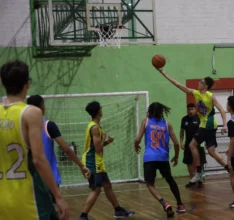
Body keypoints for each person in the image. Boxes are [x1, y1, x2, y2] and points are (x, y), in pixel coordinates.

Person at [0, 60, 69, 219]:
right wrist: (58, 196)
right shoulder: (31, 113)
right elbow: (38, 159)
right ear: (27, 84)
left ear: (2, 83)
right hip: (28, 198)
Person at [156, 68, 229, 184]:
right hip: (209, 126)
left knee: (192, 145)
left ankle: (199, 171)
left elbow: (221, 109)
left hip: (207, 124)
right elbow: (178, 85)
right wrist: (164, 73)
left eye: (201, 82)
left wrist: (225, 124)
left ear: (205, 86)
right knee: (211, 150)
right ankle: (228, 168)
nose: (198, 83)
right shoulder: (196, 93)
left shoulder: (210, 96)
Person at [27, 94, 90, 203]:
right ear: (42, 107)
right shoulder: (48, 125)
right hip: (48, 176)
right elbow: (66, 149)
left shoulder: (22, 126)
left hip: (27, 177)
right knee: (51, 210)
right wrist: (81, 166)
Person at [78, 101, 134, 220]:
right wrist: (104, 138)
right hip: (92, 162)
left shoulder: (94, 125)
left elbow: (96, 147)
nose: (102, 109)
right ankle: (83, 216)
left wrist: (107, 142)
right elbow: (98, 149)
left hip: (97, 161)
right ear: (99, 111)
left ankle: (117, 210)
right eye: (101, 108)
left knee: (107, 185)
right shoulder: (94, 128)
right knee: (96, 190)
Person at [134, 102, 186, 217]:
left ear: (150, 111)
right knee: (170, 180)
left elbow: (137, 139)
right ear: (162, 112)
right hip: (163, 158)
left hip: (149, 158)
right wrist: (176, 156)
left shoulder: (146, 122)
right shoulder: (167, 124)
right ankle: (180, 205)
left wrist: (136, 146)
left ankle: (164, 203)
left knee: (150, 184)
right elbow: (176, 143)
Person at [180, 103, 206, 188]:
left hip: (198, 144)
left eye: (192, 109)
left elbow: (203, 130)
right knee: (189, 162)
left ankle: (200, 180)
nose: (190, 111)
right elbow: (182, 131)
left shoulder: (199, 118)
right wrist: (181, 142)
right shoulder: (184, 119)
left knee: (200, 162)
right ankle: (193, 180)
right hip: (188, 144)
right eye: (189, 109)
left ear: (195, 110)